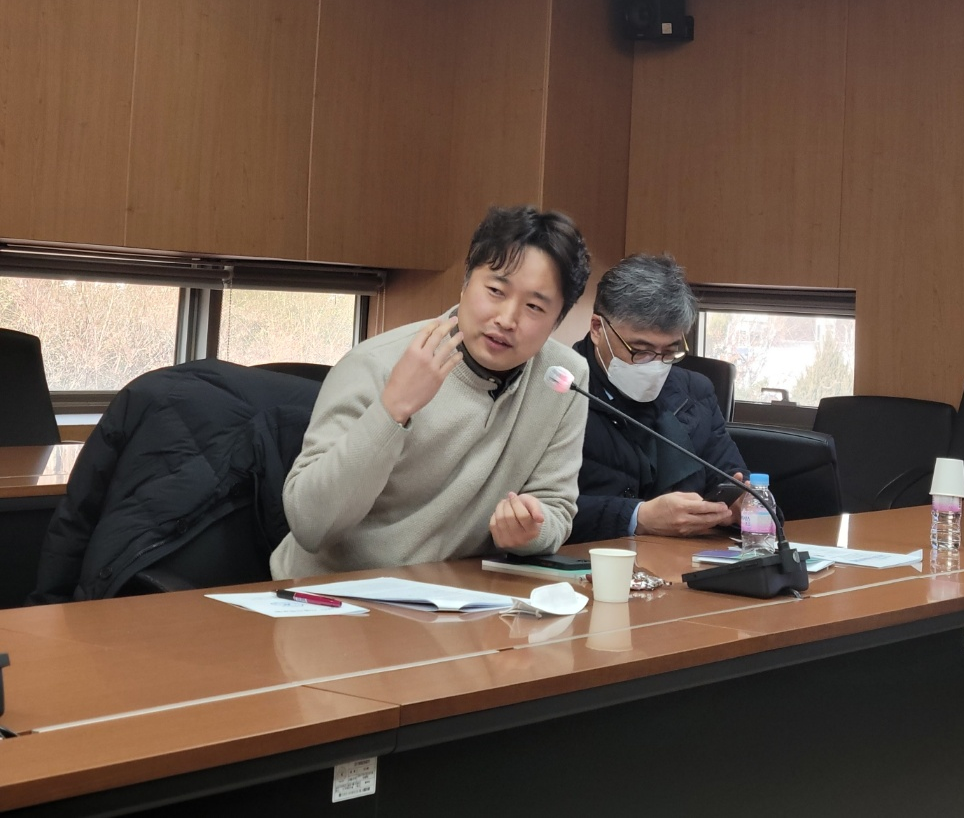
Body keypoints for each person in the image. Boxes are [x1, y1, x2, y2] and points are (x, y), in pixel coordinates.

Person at [271, 205, 592, 579]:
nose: (507, 319)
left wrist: (530, 531)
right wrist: (392, 409)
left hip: (458, 597)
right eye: (495, 291)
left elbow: (555, 508)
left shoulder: (563, 378)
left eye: (534, 306)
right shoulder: (376, 363)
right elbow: (310, 525)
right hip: (333, 594)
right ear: (465, 282)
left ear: (558, 319)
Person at [568, 254, 746, 542]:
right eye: (640, 350)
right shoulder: (558, 388)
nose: (655, 364)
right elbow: (534, 509)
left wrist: (744, 506)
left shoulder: (696, 393)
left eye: (670, 351)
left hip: (682, 560)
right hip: (587, 561)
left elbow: (731, 476)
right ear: (598, 329)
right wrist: (637, 517)